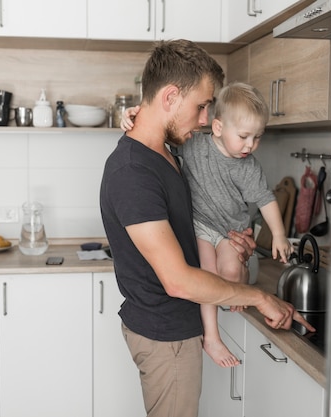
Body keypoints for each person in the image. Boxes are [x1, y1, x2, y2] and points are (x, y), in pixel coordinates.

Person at [99, 39, 313, 417]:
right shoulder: (134, 173)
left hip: (178, 329)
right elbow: (178, 280)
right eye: (200, 106)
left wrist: (239, 242)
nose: (204, 119)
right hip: (166, 338)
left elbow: (198, 222)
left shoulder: (166, 152)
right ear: (169, 97)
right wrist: (259, 297)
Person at [121, 82, 294, 368]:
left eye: (257, 137)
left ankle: (237, 295)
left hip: (230, 232)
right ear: (217, 128)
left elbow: (265, 198)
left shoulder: (249, 166)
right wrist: (133, 115)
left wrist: (279, 234)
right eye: (243, 136)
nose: (250, 145)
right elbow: (156, 132)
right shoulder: (194, 145)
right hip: (200, 227)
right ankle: (212, 336)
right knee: (208, 273)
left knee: (229, 271)